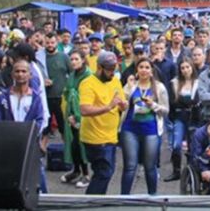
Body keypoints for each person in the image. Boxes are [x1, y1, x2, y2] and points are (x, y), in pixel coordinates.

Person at [0, 59, 47, 193]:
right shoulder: (3, 98)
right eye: (17, 71)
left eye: (24, 71)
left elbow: (40, 120)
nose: (20, 74)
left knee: (37, 176)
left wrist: (30, 134)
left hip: (29, 145)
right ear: (12, 74)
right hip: (8, 146)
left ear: (30, 74)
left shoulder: (35, 98)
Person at [119, 58, 169, 195]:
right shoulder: (131, 85)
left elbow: (165, 110)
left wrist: (152, 105)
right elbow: (121, 104)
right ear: (137, 70)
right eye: (141, 67)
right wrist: (128, 88)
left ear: (152, 71)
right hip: (130, 129)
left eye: (147, 67)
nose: (144, 70)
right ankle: (124, 198)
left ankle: (153, 197)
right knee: (130, 166)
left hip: (151, 130)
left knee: (150, 166)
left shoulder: (159, 87)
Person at [79, 51, 126, 195]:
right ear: (99, 67)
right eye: (109, 70)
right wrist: (109, 107)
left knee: (106, 172)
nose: (113, 73)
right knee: (104, 172)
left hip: (110, 136)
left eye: (114, 69)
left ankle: (97, 201)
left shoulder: (115, 81)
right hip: (95, 138)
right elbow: (84, 110)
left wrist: (123, 106)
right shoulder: (88, 83)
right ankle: (91, 203)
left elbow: (120, 101)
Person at [61, 50, 93, 188]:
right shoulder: (72, 75)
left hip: (84, 114)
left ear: (83, 60)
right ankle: (76, 170)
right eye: (71, 59)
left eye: (76, 59)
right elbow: (68, 92)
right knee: (73, 145)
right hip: (71, 114)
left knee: (81, 146)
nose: (73, 62)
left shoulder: (89, 76)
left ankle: (86, 174)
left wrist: (78, 117)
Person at [165, 57, 199, 182]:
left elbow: (196, 101)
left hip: (193, 117)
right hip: (179, 117)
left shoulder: (198, 82)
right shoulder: (174, 83)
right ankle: (176, 171)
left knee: (192, 145)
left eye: (187, 67)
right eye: (183, 68)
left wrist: (185, 102)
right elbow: (173, 102)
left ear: (192, 68)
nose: (185, 70)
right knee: (176, 145)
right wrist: (187, 103)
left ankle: (191, 172)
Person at [44, 34, 70, 138]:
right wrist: (43, 80)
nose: (50, 45)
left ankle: (68, 152)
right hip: (46, 97)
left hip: (61, 97)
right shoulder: (41, 58)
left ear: (56, 43)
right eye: (47, 43)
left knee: (64, 127)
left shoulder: (64, 57)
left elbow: (72, 74)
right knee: (45, 128)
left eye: (52, 43)